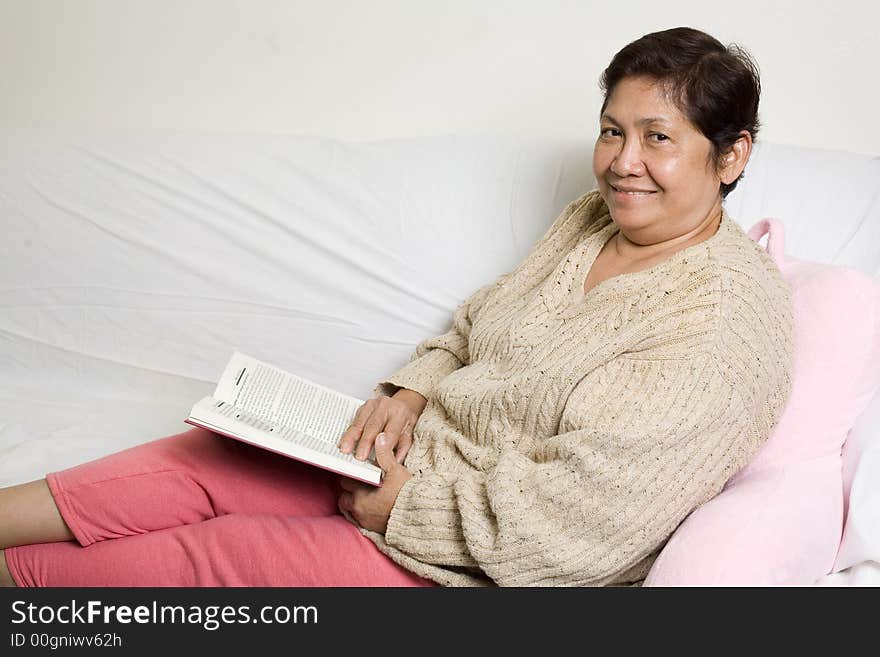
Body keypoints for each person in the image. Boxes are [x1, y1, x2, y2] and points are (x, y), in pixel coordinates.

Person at [0, 26, 793, 588]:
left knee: (217, 556)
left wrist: (406, 507)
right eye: (611, 131)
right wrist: (411, 391)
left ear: (731, 154)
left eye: (658, 138)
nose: (623, 163)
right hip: (404, 461)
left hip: (474, 565)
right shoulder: (595, 220)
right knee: (200, 460)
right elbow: (475, 326)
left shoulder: (717, 327)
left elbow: (580, 533)